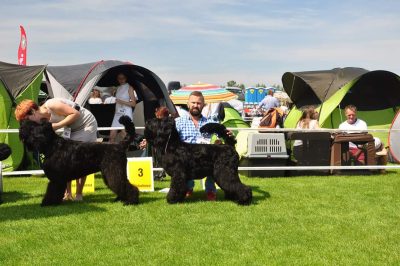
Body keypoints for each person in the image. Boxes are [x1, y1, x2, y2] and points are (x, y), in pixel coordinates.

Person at [15, 98, 98, 201]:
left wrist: (57, 126)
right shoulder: (42, 120)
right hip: (70, 128)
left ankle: (79, 194)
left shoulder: (52, 104)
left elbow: (75, 114)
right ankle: (67, 194)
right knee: (65, 160)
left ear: (33, 111)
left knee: (80, 159)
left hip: (84, 124)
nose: (26, 122)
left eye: (26, 119)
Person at [109, 73, 136, 143]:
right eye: (119, 78)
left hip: (126, 113)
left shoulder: (130, 87)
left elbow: (133, 104)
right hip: (117, 113)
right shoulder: (118, 88)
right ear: (117, 79)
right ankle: (110, 153)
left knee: (124, 135)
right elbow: (117, 102)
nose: (121, 80)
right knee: (112, 136)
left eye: (123, 78)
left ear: (126, 78)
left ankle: (125, 153)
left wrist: (121, 101)